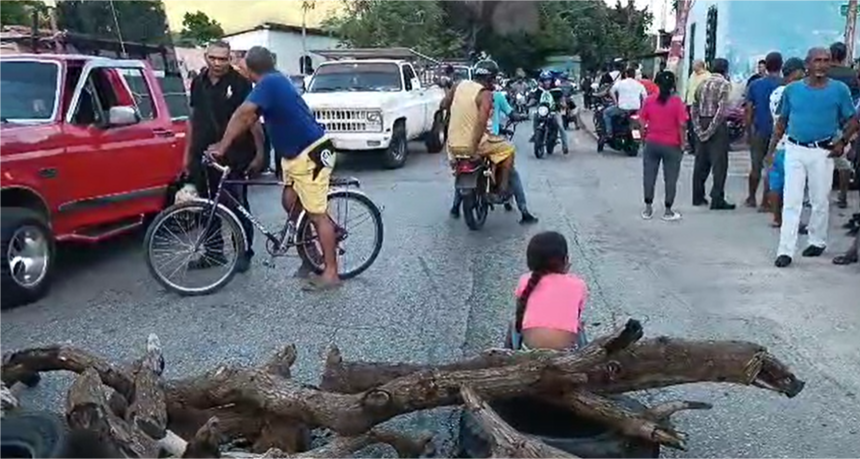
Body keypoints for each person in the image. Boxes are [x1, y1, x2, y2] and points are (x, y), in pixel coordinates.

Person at [212, 46, 341, 289]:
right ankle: (311, 255)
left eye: (242, 65)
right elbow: (250, 119)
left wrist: (222, 147)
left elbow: (243, 114)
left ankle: (331, 273)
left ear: (251, 69)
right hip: (293, 155)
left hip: (310, 153)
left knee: (316, 214)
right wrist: (256, 153)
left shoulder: (269, 84)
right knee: (290, 202)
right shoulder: (273, 81)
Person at [768, 47, 859, 268]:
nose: (821, 65)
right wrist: (771, 151)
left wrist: (842, 142)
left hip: (823, 151)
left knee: (820, 200)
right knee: (792, 201)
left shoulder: (839, 90)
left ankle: (817, 241)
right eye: (817, 60)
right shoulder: (792, 91)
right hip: (795, 149)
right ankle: (785, 250)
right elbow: (782, 121)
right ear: (807, 64)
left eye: (826, 60)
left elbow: (853, 119)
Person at [184, 40, 264, 272]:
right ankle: (213, 252)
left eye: (223, 58)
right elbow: (193, 118)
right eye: (213, 58)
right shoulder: (198, 83)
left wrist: (260, 154)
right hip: (204, 152)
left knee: (236, 205)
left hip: (235, 154)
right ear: (205, 57)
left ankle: (243, 251)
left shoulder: (240, 84)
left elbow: (251, 120)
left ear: (229, 58)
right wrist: (188, 155)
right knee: (207, 205)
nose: (218, 63)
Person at [450, 87, 538, 224]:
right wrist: (520, 117)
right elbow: (511, 114)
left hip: (467, 141)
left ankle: (455, 207)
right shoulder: (497, 96)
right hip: (490, 141)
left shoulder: (465, 97)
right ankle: (524, 210)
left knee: (466, 168)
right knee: (513, 172)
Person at [443, 59, 516, 201]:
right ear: (490, 78)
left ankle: (457, 204)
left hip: (452, 146)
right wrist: (473, 148)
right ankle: (501, 190)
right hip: (473, 147)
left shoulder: (458, 85)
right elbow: (482, 124)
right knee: (509, 149)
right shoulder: (485, 94)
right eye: (494, 79)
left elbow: (443, 104)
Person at [508, 231, 588, 351]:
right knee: (579, 325)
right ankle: (585, 356)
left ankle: (509, 355)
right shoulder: (578, 284)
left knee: (514, 323)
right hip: (566, 353)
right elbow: (575, 315)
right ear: (565, 259)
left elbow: (520, 312)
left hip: (530, 350)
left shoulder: (525, 280)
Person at [639, 71, 687, 221]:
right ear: (673, 85)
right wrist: (683, 143)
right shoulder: (677, 102)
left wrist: (643, 137)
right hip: (672, 144)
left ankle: (648, 209)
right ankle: (668, 210)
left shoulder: (649, 100)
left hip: (652, 142)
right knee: (671, 178)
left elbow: (641, 121)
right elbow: (682, 124)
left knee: (649, 175)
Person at [764, 57, 806, 229]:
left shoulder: (776, 93)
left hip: (778, 145)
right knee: (794, 186)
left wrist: (770, 150)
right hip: (793, 144)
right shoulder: (798, 92)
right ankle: (792, 220)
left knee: (776, 183)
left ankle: (776, 218)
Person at [691, 57, 735, 210]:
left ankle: (697, 196)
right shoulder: (724, 85)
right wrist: (711, 129)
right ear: (726, 70)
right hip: (716, 126)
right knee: (719, 164)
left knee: (701, 161)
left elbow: (694, 107)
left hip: (701, 121)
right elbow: (721, 110)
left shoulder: (702, 84)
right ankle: (717, 197)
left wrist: (698, 128)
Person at [744, 52, 783, 210]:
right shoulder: (785, 85)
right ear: (781, 66)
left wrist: (748, 130)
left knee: (755, 166)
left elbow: (748, 110)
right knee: (772, 166)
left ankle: (751, 197)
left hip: (759, 129)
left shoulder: (755, 85)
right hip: (779, 131)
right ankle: (765, 202)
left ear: (766, 66)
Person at [827, 42, 860, 209]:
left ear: (831, 54)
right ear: (844, 55)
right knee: (844, 164)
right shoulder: (852, 74)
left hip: (826, 121)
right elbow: (856, 99)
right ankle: (843, 195)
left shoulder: (825, 73)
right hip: (848, 122)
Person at [529, 71, 569, 154]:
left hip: (554, 111)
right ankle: (536, 134)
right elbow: (534, 99)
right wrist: (528, 104)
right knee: (535, 117)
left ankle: (565, 146)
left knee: (560, 126)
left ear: (552, 80)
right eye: (545, 80)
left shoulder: (557, 90)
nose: (547, 82)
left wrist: (563, 104)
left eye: (548, 80)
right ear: (541, 81)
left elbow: (562, 100)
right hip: (542, 111)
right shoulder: (539, 90)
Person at [602, 68, 646, 139]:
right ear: (634, 75)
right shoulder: (639, 85)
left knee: (606, 113)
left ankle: (609, 133)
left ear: (626, 74)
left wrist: (615, 101)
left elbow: (611, 91)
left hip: (622, 108)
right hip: (635, 109)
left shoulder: (620, 83)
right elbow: (645, 97)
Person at [684, 60, 711, 154]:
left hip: (700, 105)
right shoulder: (692, 75)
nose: (692, 66)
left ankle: (700, 148)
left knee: (699, 126)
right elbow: (688, 89)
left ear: (700, 66)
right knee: (691, 127)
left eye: (694, 65)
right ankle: (692, 147)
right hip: (690, 103)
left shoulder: (707, 76)